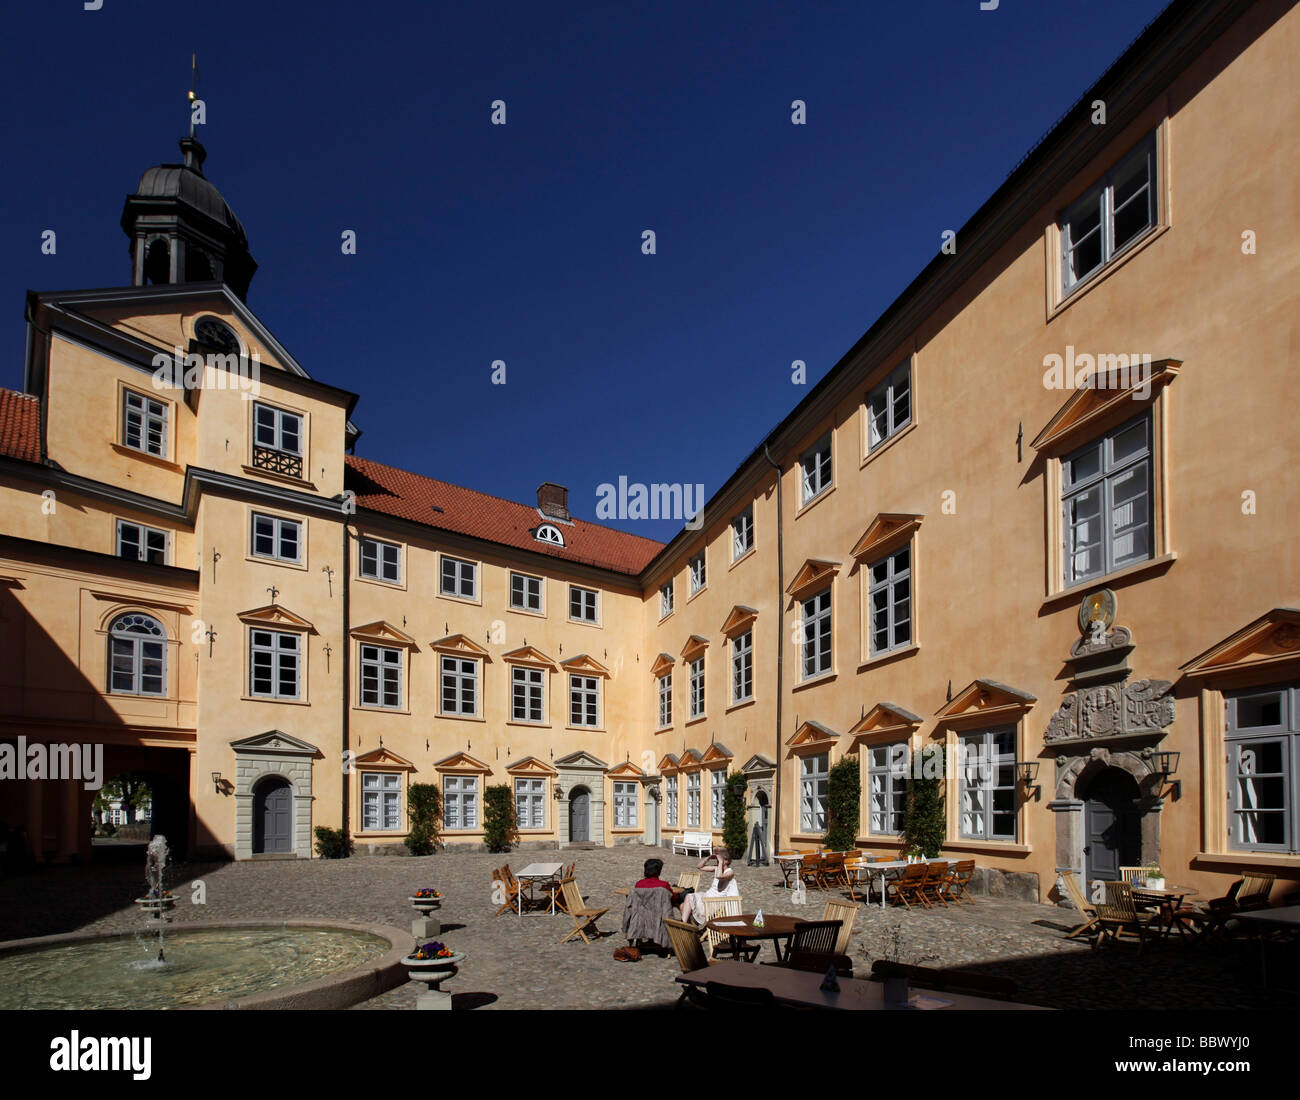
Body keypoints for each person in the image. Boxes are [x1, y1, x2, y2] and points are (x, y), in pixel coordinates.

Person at [682, 847, 739, 925]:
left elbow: (719, 876)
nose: (717, 861)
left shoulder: (730, 872)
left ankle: (684, 926)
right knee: (685, 902)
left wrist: (720, 862)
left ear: (726, 861)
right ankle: (685, 925)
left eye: (718, 860)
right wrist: (708, 858)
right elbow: (699, 867)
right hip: (707, 896)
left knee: (686, 905)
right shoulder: (717, 868)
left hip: (715, 902)